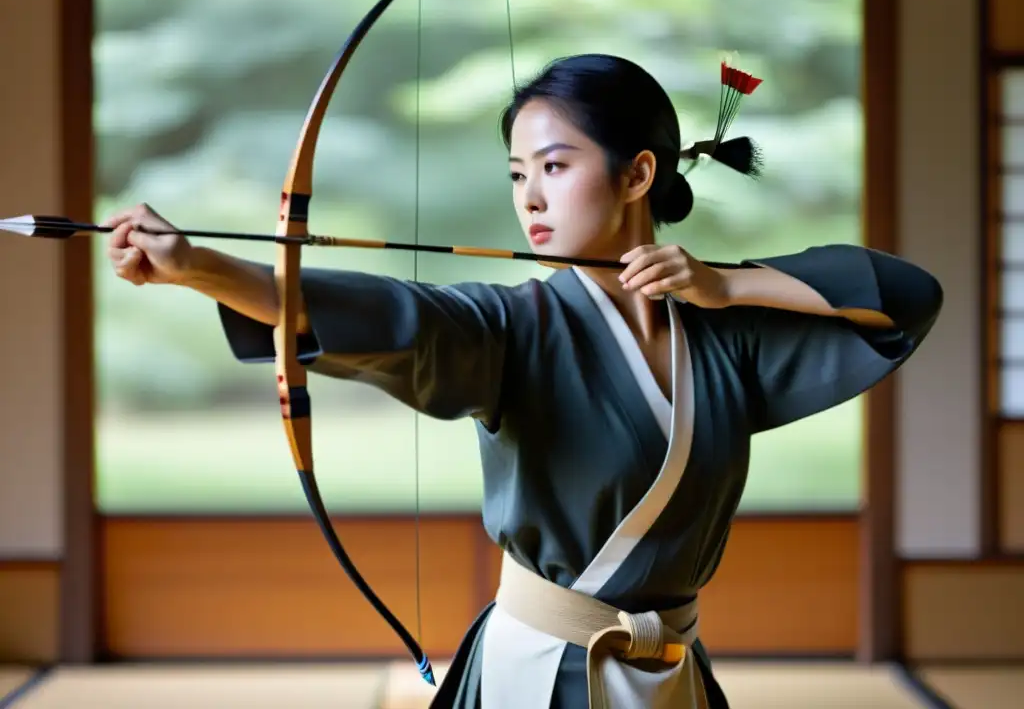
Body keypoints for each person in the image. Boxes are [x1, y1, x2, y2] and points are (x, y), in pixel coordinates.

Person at [102, 54, 943, 709]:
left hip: (665, 675)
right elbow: (397, 317)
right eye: (516, 174)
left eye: (554, 166)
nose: (529, 198)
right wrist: (201, 267)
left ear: (638, 174)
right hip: (534, 675)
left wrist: (727, 284)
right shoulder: (514, 328)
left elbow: (904, 296)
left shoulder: (727, 340)